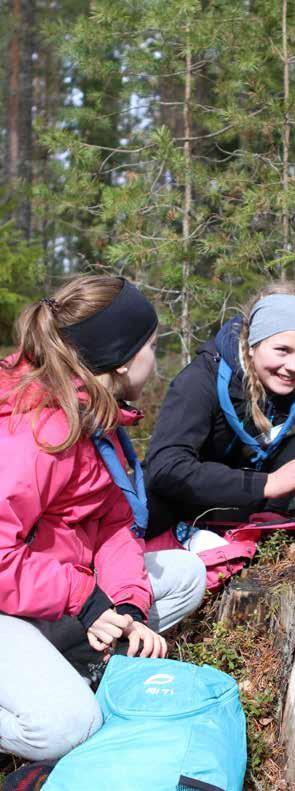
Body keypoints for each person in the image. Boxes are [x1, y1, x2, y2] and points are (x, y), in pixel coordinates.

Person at [0, 276, 206, 767]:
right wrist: (85, 600)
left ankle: (73, 663)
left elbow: (112, 524)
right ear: (121, 361)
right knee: (70, 729)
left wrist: (128, 606)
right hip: (11, 602)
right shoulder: (34, 434)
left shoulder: (95, 413)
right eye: (153, 346)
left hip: (43, 596)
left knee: (187, 575)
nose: (158, 357)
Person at [144, 284, 295, 538]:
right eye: (282, 350)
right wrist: (267, 484)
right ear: (252, 344)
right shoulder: (202, 380)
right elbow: (166, 469)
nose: (293, 366)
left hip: (265, 525)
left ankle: (273, 537)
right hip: (188, 519)